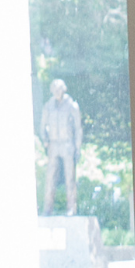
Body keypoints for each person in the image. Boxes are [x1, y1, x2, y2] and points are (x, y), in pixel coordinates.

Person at [41, 78, 82, 213]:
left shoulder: (72, 106)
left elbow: (78, 128)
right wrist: (45, 139)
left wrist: (77, 147)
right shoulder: (48, 106)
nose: (56, 92)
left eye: (59, 89)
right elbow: (43, 125)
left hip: (67, 144)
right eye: (54, 90)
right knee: (50, 177)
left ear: (63, 89)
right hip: (53, 145)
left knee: (70, 178)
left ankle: (71, 208)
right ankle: (47, 208)